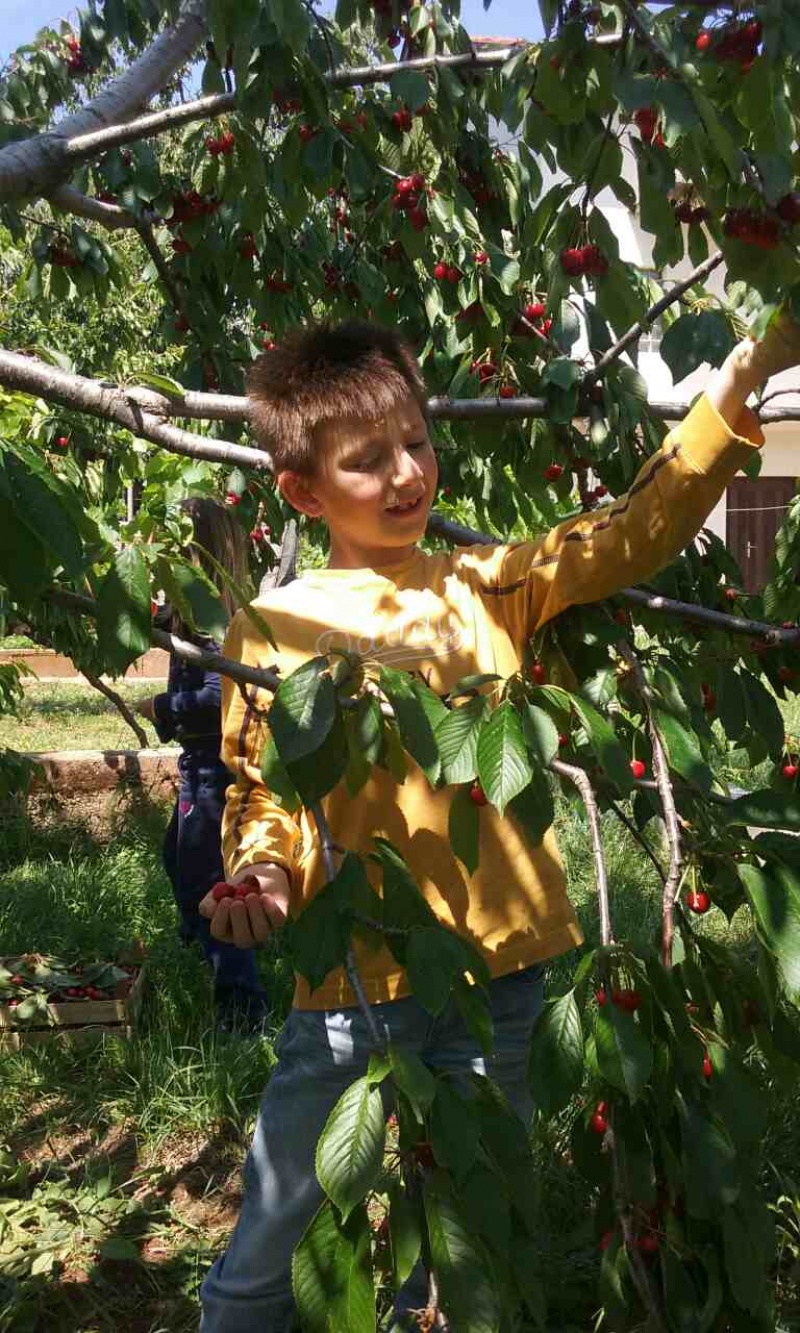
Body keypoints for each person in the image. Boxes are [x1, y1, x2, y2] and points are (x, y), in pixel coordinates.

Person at [197, 315, 800, 1329]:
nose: (405, 474)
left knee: (468, 1235)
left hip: (502, 977)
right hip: (348, 986)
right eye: (366, 459)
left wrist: (735, 384)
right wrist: (262, 878)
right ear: (302, 490)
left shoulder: (486, 586)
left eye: (417, 442)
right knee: (283, 1214)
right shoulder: (273, 628)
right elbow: (261, 791)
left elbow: (627, 532)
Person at [138, 496, 269, 1035]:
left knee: (207, 879)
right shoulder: (196, 612)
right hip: (200, 764)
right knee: (177, 856)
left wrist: (161, 707)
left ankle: (242, 1005)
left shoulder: (216, 621)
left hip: (214, 769)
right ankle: (199, 943)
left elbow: (220, 699)